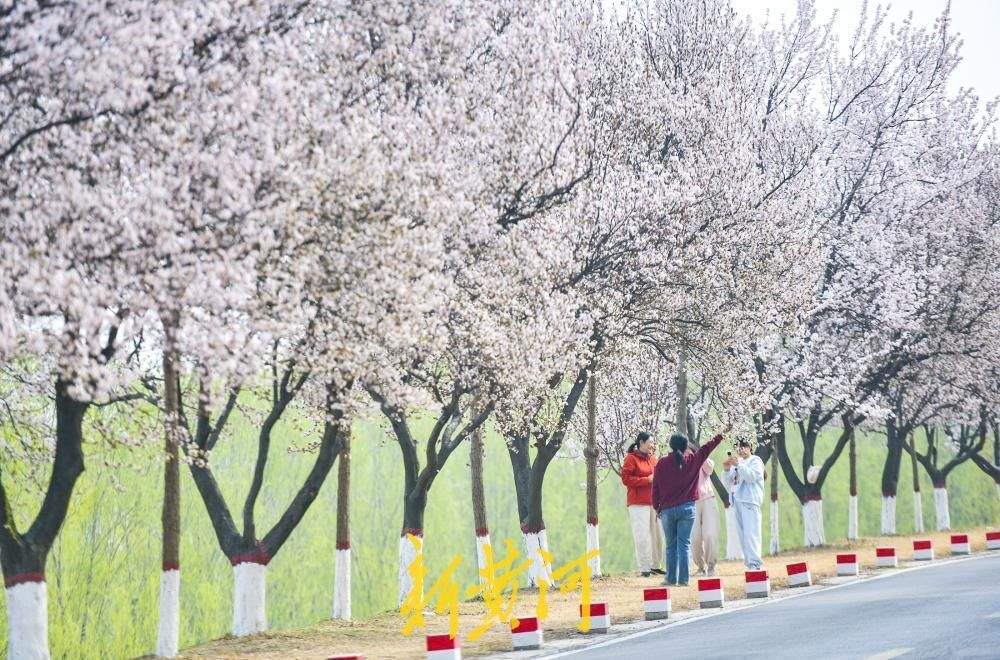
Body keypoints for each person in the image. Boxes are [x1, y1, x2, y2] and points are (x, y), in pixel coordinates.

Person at [652, 431, 724, 586]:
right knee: (684, 545)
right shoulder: (692, 460)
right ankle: (684, 580)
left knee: (671, 546)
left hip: (667, 510)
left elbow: (655, 488)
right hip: (687, 509)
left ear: (671, 446)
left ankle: (670, 579)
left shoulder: (661, 463)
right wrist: (720, 435)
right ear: (686, 446)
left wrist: (656, 507)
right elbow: (706, 448)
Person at [621, 432, 665, 577]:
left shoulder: (653, 459)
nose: (652, 445)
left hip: (654, 502)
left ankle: (656, 565)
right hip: (638, 503)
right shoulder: (631, 458)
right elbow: (626, 479)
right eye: (650, 442)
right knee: (642, 535)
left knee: (657, 535)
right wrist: (647, 480)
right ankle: (645, 567)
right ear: (641, 442)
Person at [723, 438, 765, 570]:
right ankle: (749, 563)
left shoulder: (755, 461)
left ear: (750, 447)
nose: (741, 449)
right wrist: (726, 469)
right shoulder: (738, 463)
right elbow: (729, 482)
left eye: (744, 446)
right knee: (742, 535)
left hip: (750, 501)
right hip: (737, 501)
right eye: (739, 447)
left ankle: (755, 563)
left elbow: (751, 477)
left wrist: (738, 465)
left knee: (751, 534)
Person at [690, 451, 720, 577]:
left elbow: (709, 469)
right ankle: (700, 567)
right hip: (690, 502)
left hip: (708, 499)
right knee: (695, 537)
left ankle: (711, 565)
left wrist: (699, 456)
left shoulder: (704, 460)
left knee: (709, 535)